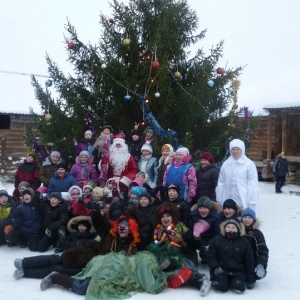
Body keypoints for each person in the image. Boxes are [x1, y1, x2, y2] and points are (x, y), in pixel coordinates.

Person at [39, 251, 166, 298]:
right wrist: (163, 280)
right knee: (82, 289)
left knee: (85, 282)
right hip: (108, 269)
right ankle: (55, 277)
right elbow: (150, 286)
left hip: (107, 265)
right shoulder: (148, 262)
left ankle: (75, 279)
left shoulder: (146, 258)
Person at [207, 218, 256, 293]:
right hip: (221, 271)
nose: (230, 229)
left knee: (238, 286)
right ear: (224, 228)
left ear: (238, 229)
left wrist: (250, 279)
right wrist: (215, 267)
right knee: (221, 286)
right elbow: (211, 256)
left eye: (233, 228)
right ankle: (219, 281)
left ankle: (236, 282)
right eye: (228, 227)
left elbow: (249, 260)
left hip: (238, 272)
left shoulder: (244, 242)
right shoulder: (217, 240)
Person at [216, 138, 259, 211]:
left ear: (242, 149)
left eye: (237, 149)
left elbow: (252, 184)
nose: (235, 151)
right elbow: (221, 182)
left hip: (242, 200)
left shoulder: (249, 164)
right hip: (227, 200)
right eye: (233, 149)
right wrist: (219, 198)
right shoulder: (226, 164)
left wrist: (252, 202)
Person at [189, 196, 220, 264]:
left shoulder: (215, 217)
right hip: (197, 241)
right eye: (200, 208)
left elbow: (217, 234)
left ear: (209, 208)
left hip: (210, 241)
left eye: (205, 208)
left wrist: (208, 244)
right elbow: (189, 230)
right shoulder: (193, 215)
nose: (202, 210)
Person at [241, 208, 269, 280]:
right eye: (245, 217)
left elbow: (263, 250)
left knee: (255, 275)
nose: (247, 219)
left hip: (252, 260)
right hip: (238, 259)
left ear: (253, 220)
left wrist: (261, 264)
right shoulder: (236, 230)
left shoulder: (257, 233)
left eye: (249, 218)